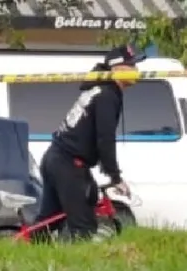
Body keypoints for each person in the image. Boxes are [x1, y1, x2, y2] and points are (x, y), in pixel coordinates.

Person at [35, 44, 141, 241]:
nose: (137, 71)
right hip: (68, 163)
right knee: (83, 227)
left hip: (56, 157)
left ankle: (29, 252)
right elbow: (105, 138)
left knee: (48, 221)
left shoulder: (99, 89)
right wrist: (115, 176)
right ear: (117, 69)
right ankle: (78, 268)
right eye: (132, 66)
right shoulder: (107, 95)